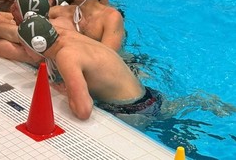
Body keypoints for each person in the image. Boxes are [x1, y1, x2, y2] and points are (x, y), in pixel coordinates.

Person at [17, 14, 162, 121]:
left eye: (24, 46)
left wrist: (61, 91)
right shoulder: (68, 36)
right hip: (151, 96)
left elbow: (83, 111)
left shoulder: (65, 56)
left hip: (132, 112)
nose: (24, 51)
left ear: (38, 44)